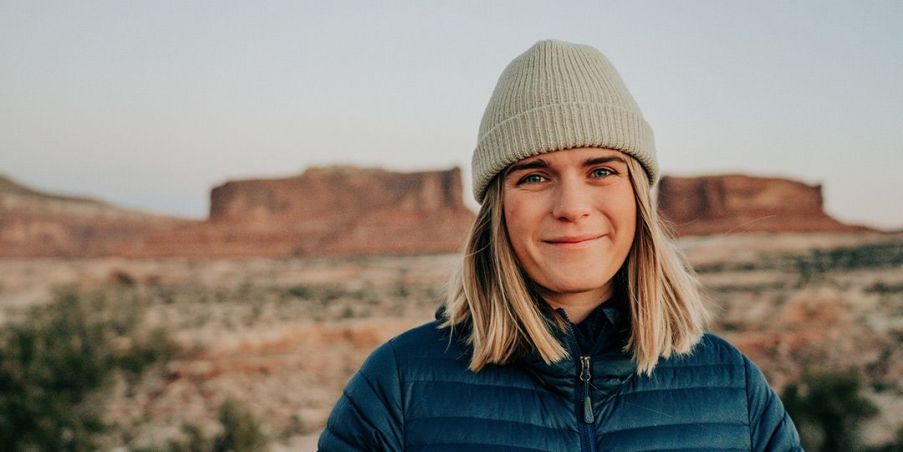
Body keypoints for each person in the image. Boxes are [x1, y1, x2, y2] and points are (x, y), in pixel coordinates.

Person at [318, 39, 801, 451]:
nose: (572, 205)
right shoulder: (397, 387)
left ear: (638, 196)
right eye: (533, 176)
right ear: (496, 208)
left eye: (602, 171)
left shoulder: (734, 388)